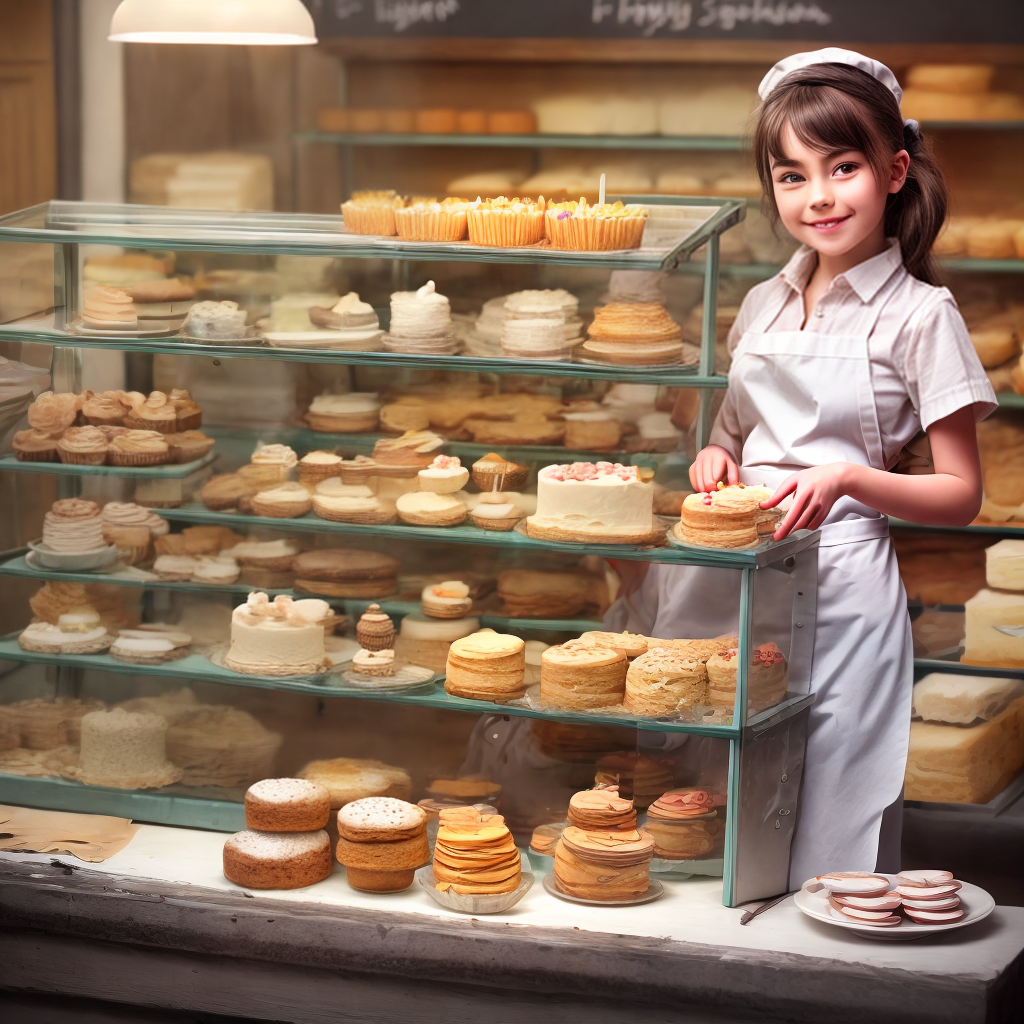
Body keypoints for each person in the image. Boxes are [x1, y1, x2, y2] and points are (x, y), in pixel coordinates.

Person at [606, 47, 997, 886]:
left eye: (842, 167)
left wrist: (848, 479)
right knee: (705, 802)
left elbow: (962, 495)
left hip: (844, 591)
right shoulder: (763, 302)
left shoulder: (922, 316)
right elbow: (731, 435)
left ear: (894, 171)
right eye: (791, 176)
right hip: (730, 584)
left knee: (829, 812)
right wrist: (716, 456)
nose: (817, 197)